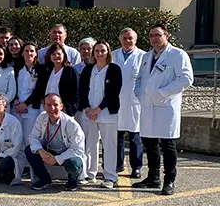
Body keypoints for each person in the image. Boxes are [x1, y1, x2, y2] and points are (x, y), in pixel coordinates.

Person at [132, 25, 194, 195]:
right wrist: (138, 92)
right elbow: (140, 78)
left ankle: (170, 180)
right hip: (147, 105)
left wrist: (163, 93)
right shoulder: (146, 56)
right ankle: (153, 177)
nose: (154, 38)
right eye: (151, 35)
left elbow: (186, 79)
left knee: (168, 145)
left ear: (166, 36)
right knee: (150, 143)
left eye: (157, 35)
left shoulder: (177, 55)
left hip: (166, 106)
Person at [78, 40, 122, 188]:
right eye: (97, 51)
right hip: (88, 113)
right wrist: (87, 109)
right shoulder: (88, 69)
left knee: (109, 145)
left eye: (103, 51)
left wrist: (97, 110)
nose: (99, 53)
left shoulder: (114, 69)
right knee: (89, 144)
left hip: (107, 113)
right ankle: (90, 174)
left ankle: (110, 176)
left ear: (108, 52)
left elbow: (113, 93)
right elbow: (82, 91)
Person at [26, 93, 86, 191]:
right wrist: (41, 150)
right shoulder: (42, 117)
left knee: (74, 163)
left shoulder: (71, 124)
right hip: (49, 152)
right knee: (29, 150)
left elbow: (78, 149)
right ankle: (45, 180)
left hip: (66, 155)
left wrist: (57, 159)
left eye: (56, 105)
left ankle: (72, 181)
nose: (52, 108)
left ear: (61, 106)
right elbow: (33, 137)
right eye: (48, 105)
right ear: (44, 106)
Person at [112, 28, 146, 178]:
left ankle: (136, 167)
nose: (127, 41)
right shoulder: (113, 55)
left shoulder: (143, 56)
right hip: (116, 102)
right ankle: (117, 164)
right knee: (117, 136)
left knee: (135, 137)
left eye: (130, 38)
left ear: (135, 40)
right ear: (120, 39)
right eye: (124, 38)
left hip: (134, 102)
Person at [11, 42, 46, 175]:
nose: (29, 54)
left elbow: (40, 90)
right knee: (17, 141)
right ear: (22, 53)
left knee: (30, 140)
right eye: (26, 51)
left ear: (36, 53)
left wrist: (26, 104)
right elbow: (12, 86)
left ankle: (34, 174)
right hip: (16, 108)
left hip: (32, 109)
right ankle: (18, 172)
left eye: (32, 51)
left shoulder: (40, 70)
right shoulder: (17, 68)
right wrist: (16, 101)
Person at [41, 42, 79, 116]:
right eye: (53, 54)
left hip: (63, 110)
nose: (56, 56)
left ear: (64, 55)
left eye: (59, 54)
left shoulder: (70, 71)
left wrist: (70, 108)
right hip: (46, 108)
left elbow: (76, 92)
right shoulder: (47, 71)